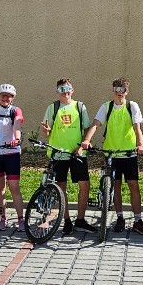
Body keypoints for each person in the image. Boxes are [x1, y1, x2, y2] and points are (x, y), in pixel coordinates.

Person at [82, 77, 143, 235]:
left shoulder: (132, 106)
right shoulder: (106, 106)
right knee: (115, 185)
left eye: (122, 90)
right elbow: (95, 125)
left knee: (133, 185)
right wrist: (86, 140)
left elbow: (137, 128)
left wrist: (141, 144)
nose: (120, 93)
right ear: (113, 91)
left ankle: (138, 220)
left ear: (127, 91)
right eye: (117, 90)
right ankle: (119, 218)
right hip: (111, 154)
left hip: (129, 153)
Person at [40, 78, 96, 234]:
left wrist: (83, 145)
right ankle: (66, 221)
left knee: (84, 185)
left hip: (77, 153)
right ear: (57, 92)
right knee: (61, 188)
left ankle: (80, 220)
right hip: (59, 154)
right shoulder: (52, 107)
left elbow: (86, 129)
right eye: (61, 89)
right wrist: (46, 131)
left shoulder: (80, 107)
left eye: (67, 89)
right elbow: (45, 133)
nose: (65, 92)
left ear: (72, 90)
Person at [0, 83, 25, 231]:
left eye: (8, 96)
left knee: (14, 187)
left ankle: (21, 219)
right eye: (3, 96)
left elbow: (17, 126)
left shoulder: (16, 111)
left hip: (11, 154)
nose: (5, 98)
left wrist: (16, 139)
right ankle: (3, 218)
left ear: (12, 98)